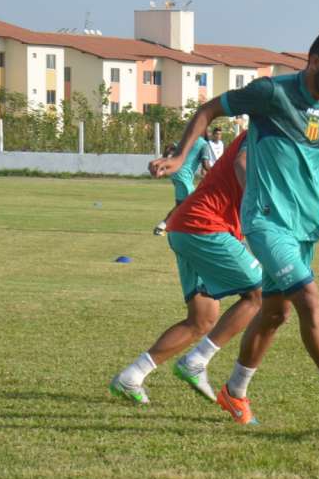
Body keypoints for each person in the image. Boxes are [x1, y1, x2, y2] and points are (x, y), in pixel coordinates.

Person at [151, 30, 319, 428]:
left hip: (305, 226)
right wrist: (178, 157)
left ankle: (235, 391)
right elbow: (209, 109)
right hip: (264, 221)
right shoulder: (270, 94)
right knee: (309, 298)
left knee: (275, 314)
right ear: (313, 62)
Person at [112, 132, 263, 404]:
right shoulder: (266, 132)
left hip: (184, 226)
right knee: (259, 294)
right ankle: (196, 361)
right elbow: (242, 164)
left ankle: (131, 377)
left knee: (202, 319)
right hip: (204, 226)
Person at [153, 135, 208, 236]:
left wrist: (164, 160)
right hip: (184, 176)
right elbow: (206, 165)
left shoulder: (188, 138)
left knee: (181, 205)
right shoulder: (204, 144)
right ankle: (191, 231)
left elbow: (169, 147)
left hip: (176, 173)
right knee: (192, 204)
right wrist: (218, 171)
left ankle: (162, 227)